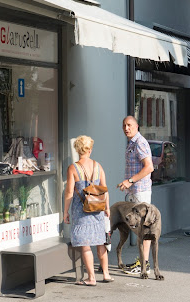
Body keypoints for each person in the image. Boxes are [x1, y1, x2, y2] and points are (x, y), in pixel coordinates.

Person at [64, 135, 113, 286]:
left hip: (81, 211)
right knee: (101, 242)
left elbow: (69, 192)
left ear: (77, 150)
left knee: (86, 245)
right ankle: (106, 274)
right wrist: (107, 207)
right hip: (97, 209)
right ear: (90, 149)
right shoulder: (98, 166)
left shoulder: (73, 168)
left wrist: (65, 212)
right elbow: (105, 190)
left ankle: (91, 278)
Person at [117, 116, 154, 274]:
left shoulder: (140, 142)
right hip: (135, 192)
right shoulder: (132, 143)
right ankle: (143, 262)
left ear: (137, 126)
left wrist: (130, 181)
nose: (126, 128)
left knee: (143, 229)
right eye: (124, 125)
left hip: (140, 192)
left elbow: (149, 167)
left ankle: (144, 264)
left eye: (130, 125)